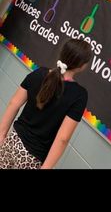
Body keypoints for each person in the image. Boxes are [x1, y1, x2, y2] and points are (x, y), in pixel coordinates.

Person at [0, 39, 92, 169]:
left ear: (62, 53)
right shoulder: (79, 95)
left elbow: (13, 103)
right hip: (32, 158)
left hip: (12, 142)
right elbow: (63, 139)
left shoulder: (39, 73)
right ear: (82, 65)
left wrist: (1, 135)